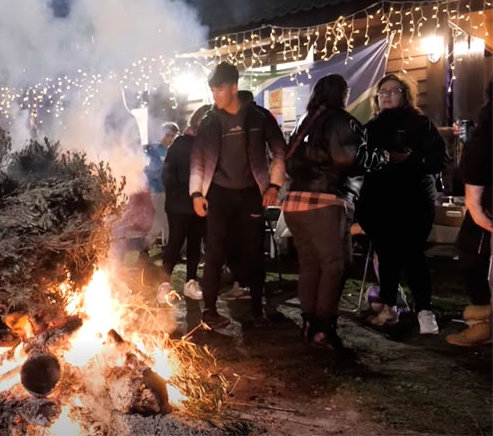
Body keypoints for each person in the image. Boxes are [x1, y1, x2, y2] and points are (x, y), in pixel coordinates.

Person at [282, 74, 388, 350]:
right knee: (334, 265)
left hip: (295, 203)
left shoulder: (306, 123)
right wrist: (381, 157)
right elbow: (348, 157)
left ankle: (309, 324)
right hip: (325, 203)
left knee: (310, 265)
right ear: (341, 94)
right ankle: (323, 328)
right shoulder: (340, 119)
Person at [190, 62, 287, 328]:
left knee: (254, 251)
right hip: (218, 194)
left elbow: (279, 151)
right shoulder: (209, 122)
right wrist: (197, 194)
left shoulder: (258, 117)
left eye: (219, 89)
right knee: (214, 252)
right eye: (212, 90)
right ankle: (209, 311)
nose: (215, 95)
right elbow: (197, 160)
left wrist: (274, 186)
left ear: (234, 87)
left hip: (250, 194)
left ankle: (257, 308)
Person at [356, 74, 449, 334]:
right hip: (381, 202)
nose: (386, 96)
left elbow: (440, 159)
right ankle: (389, 307)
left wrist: (410, 160)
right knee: (386, 256)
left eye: (392, 91)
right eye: (382, 92)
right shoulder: (371, 127)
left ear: (404, 94)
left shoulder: (420, 124)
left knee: (413, 256)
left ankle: (425, 312)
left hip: (414, 200)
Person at [447, 78, 492, 346]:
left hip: (487, 204)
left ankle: (482, 323)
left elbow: (475, 159)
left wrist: (474, 205)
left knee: (473, 256)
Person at [161, 105, 210, 327]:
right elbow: (167, 174)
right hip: (180, 205)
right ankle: (163, 284)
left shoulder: (206, 145)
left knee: (194, 243)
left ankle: (191, 282)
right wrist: (182, 193)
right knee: (175, 243)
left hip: (197, 205)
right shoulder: (181, 144)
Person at [143, 122, 179, 250]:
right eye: (167, 135)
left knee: (167, 219)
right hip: (157, 190)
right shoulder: (154, 150)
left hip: (167, 190)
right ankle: (147, 243)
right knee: (162, 218)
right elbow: (149, 169)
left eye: (172, 136)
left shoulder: (171, 150)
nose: (169, 139)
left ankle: (169, 247)